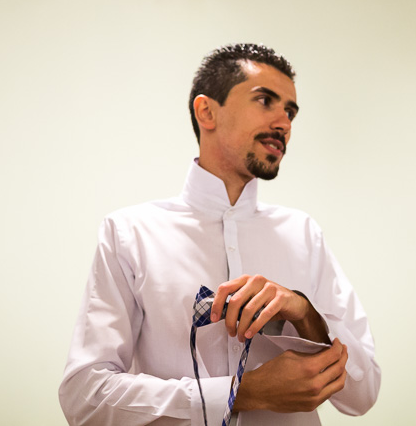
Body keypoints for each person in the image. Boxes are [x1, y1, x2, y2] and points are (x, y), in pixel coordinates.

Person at [59, 44, 380, 425]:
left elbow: (362, 394)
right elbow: (85, 397)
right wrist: (241, 392)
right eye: (265, 101)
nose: (284, 123)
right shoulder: (129, 233)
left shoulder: (304, 234)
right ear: (206, 111)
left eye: (290, 112)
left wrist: (306, 315)